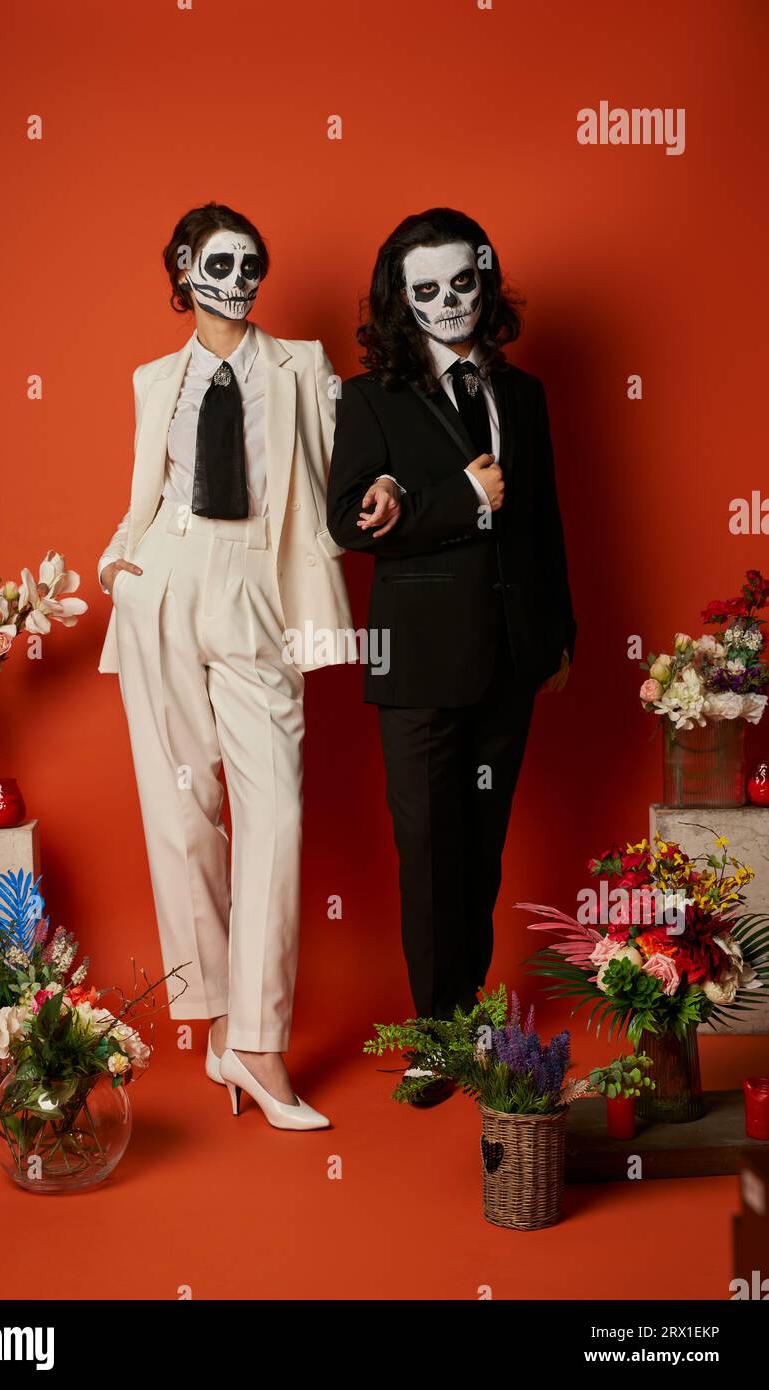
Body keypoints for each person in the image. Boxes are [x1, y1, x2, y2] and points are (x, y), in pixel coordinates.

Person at [97, 202, 352, 1129]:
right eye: (221, 262)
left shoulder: (303, 367)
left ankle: (259, 1043)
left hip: (256, 588)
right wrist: (114, 564)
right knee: (182, 813)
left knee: (273, 810)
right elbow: (143, 494)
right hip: (162, 585)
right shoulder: (152, 378)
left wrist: (402, 495)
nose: (240, 278)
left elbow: (342, 472)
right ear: (183, 268)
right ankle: (214, 1028)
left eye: (253, 264)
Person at [327, 207, 576, 1105]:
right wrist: (456, 498)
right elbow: (349, 522)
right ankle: (436, 1038)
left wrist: (560, 630)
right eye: (422, 291)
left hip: (512, 657)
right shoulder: (366, 399)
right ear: (401, 299)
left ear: (486, 278)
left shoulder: (527, 394)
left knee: (480, 848)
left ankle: (467, 1014)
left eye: (460, 284)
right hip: (420, 664)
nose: (445, 303)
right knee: (429, 852)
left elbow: (544, 519)